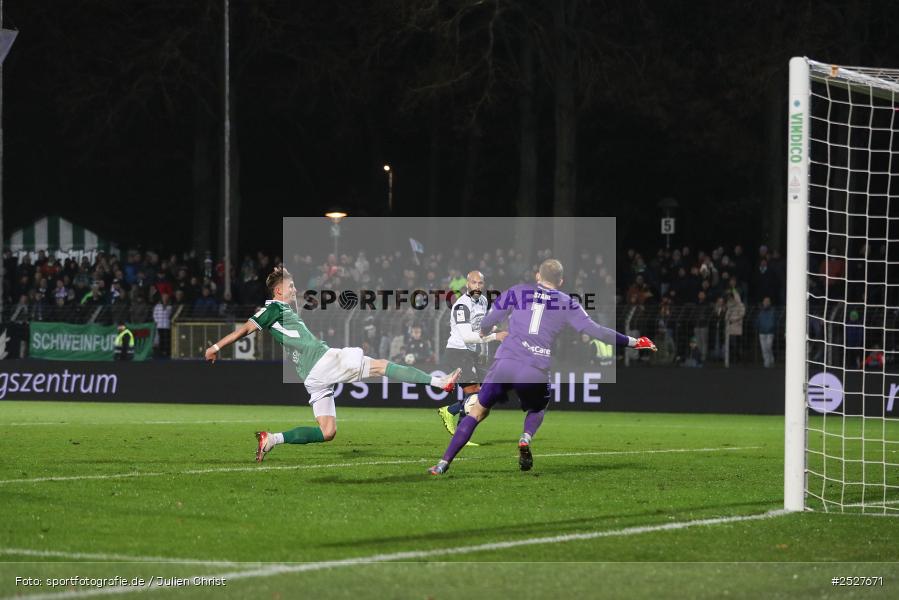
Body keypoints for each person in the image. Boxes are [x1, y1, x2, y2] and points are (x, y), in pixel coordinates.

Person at [204, 267, 461, 463]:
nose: (295, 290)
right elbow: (244, 330)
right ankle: (440, 382)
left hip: (312, 376)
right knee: (381, 365)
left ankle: (271, 439)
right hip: (322, 362)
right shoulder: (271, 310)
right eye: (291, 286)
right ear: (279, 291)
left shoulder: (283, 310)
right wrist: (216, 348)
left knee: (327, 431)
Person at [429, 259, 656, 475]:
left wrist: (485, 331)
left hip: (505, 361)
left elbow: (489, 320)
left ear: (538, 276)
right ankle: (525, 437)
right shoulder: (568, 302)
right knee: (538, 407)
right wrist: (634, 342)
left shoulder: (518, 290)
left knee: (478, 411)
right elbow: (596, 331)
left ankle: (442, 463)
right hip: (534, 367)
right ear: (561, 281)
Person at [436, 270, 507, 445]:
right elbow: (467, 336)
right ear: (467, 284)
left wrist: (492, 334)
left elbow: (482, 328)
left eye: (480, 283)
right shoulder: (461, 306)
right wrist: (495, 337)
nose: (477, 286)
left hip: (472, 353)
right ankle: (461, 434)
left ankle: (451, 410)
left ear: (484, 285)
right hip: (457, 351)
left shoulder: (483, 301)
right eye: (473, 283)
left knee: (487, 396)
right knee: (474, 395)